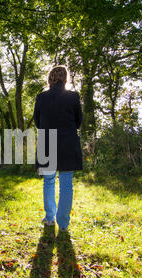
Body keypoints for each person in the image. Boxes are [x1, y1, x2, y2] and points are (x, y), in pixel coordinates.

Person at [33, 66, 83, 232]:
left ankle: (49, 218)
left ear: (50, 79)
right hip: (68, 141)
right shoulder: (73, 97)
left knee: (48, 181)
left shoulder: (41, 97)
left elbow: (37, 122)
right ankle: (63, 224)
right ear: (65, 79)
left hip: (47, 141)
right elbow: (78, 122)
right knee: (66, 184)